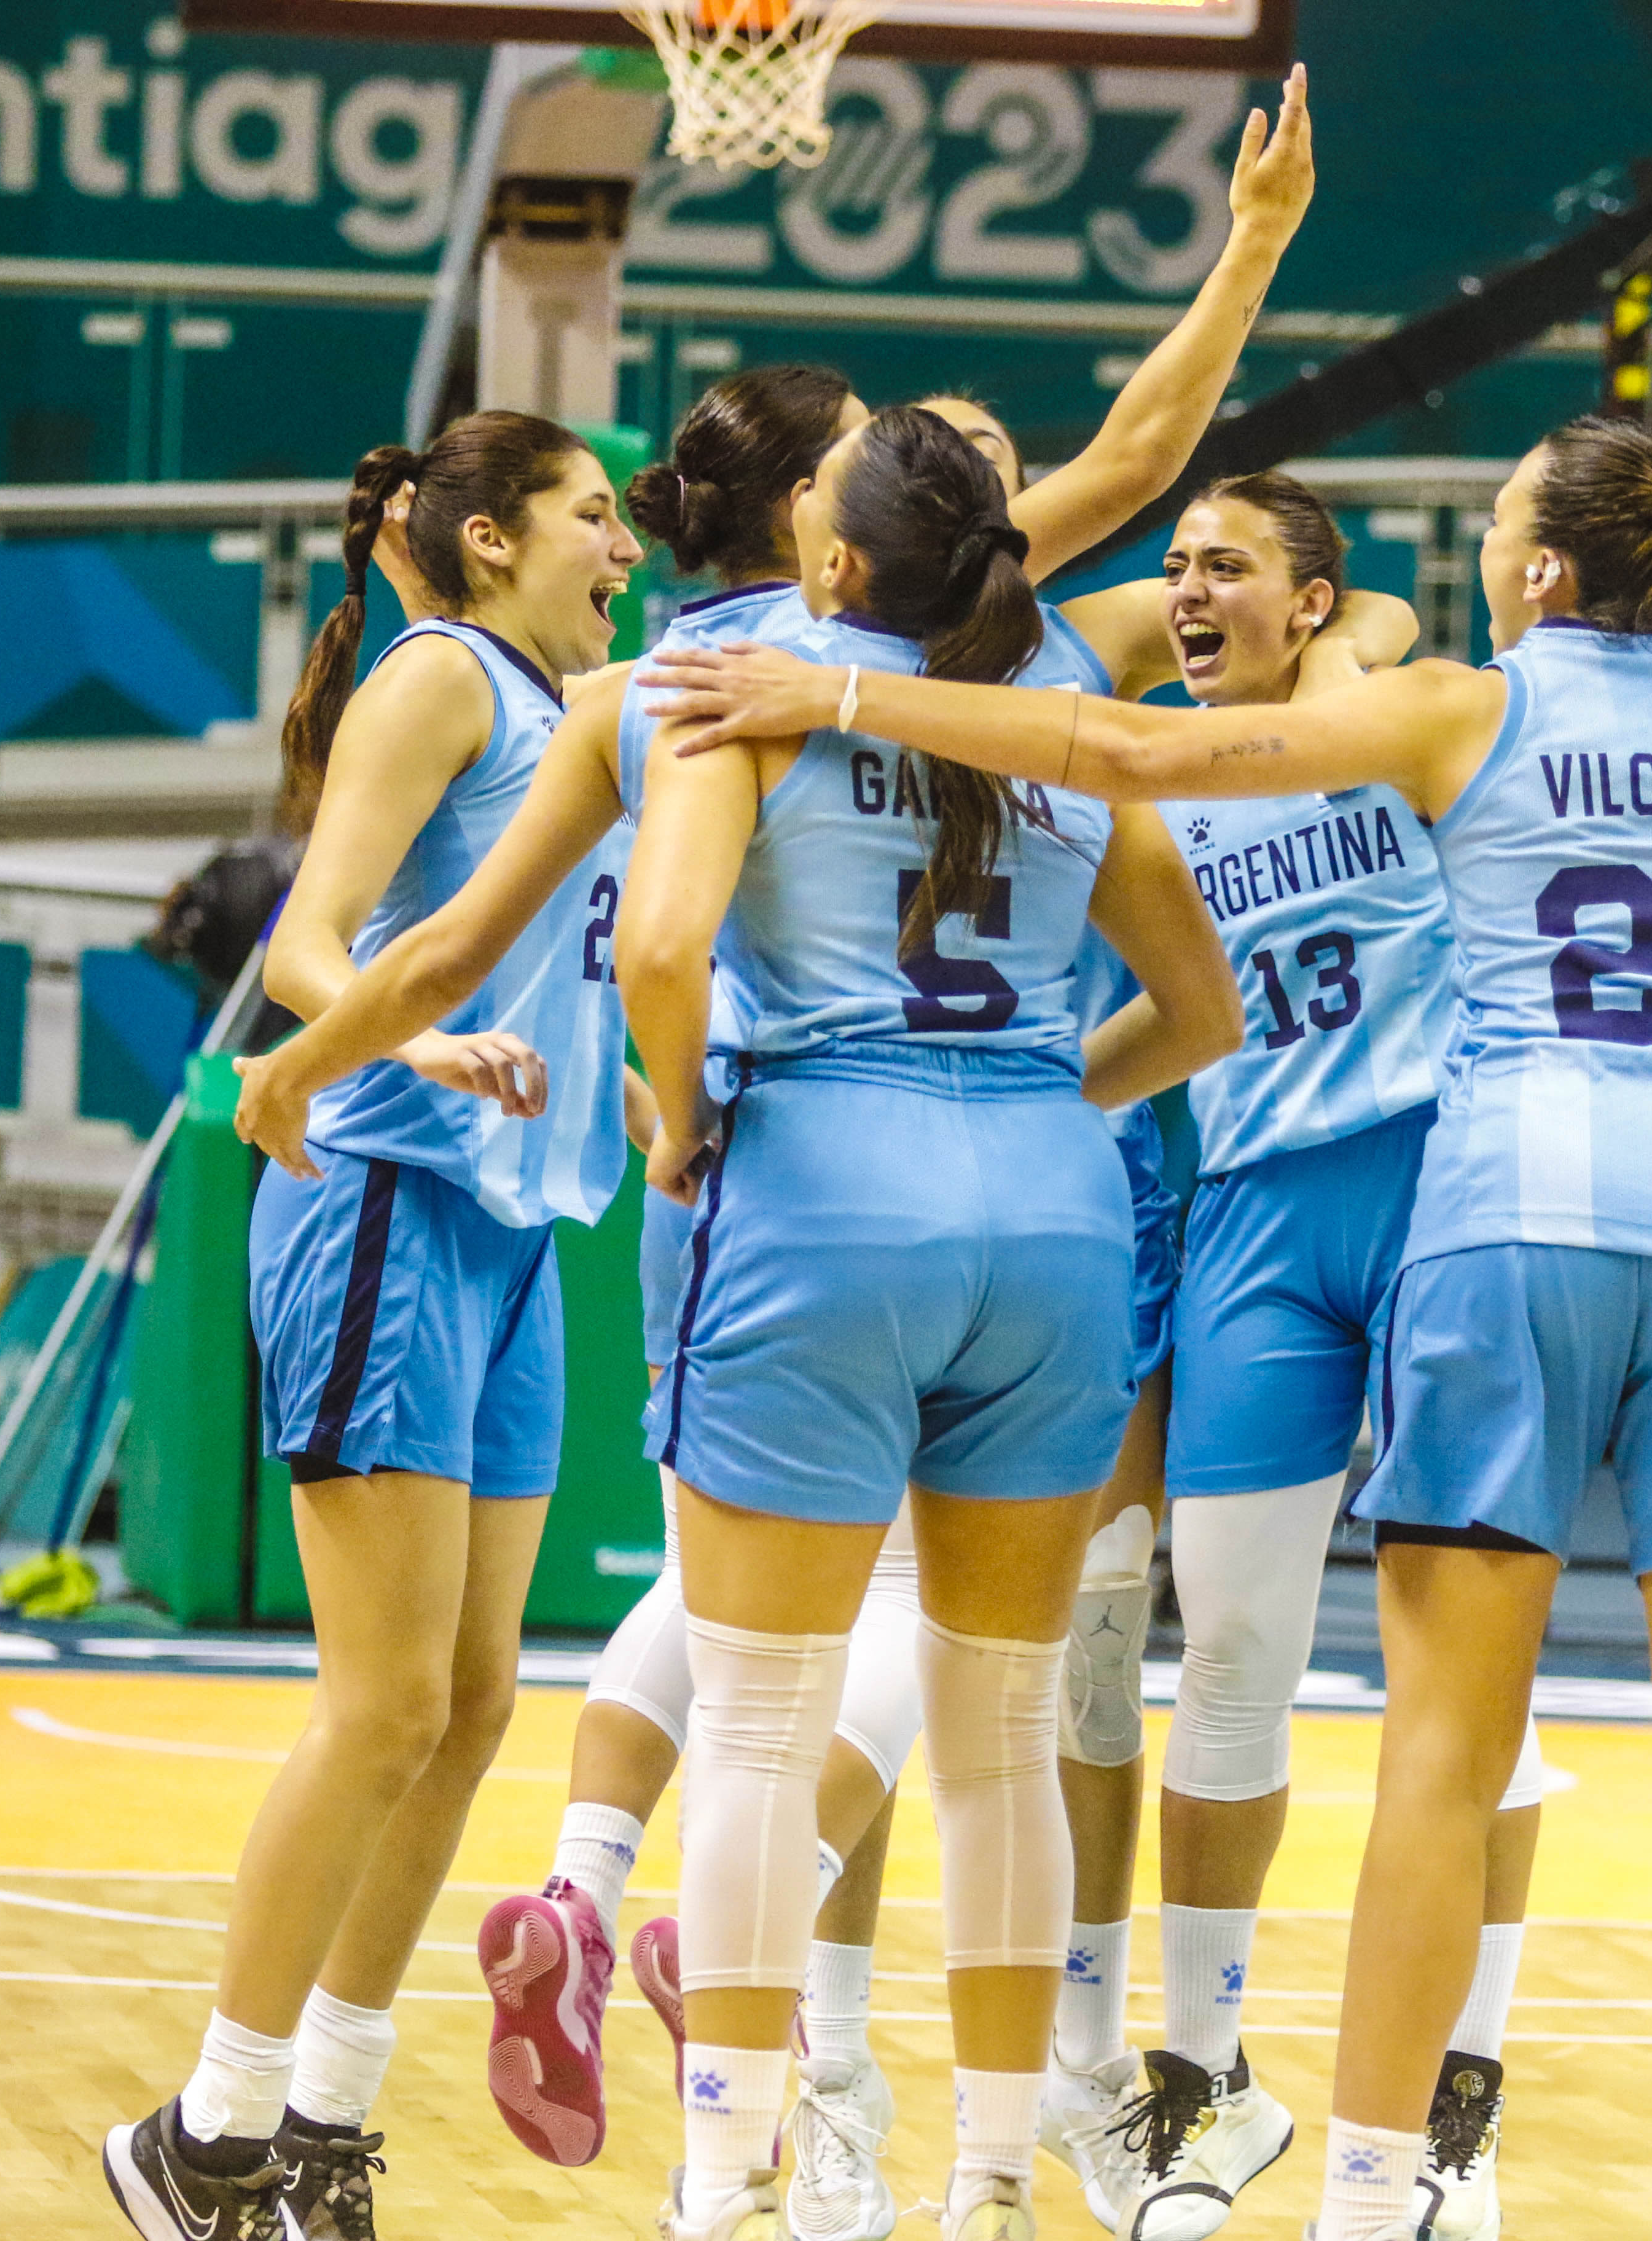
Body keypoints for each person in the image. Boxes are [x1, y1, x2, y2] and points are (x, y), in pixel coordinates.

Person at [639, 414, 1652, 2241]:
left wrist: (842, 701)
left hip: (1516, 1217)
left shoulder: (1474, 708)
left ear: (1546, 569)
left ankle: (1376, 2190)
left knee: (1438, 1754)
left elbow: (1136, 742)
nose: (1470, 548)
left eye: (1492, 523)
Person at [627, 402, 1239, 2241]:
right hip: (1049, 1207)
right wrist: (1061, 1094)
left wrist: (684, 1123)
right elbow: (1201, 1006)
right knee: (995, 1731)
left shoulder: (744, 671)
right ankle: (985, 2183)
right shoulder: (1043, 689)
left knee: (753, 1723)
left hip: (822, 1184)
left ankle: (732, 2176)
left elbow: (664, 951)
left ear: (830, 559)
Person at [99, 410, 645, 2241]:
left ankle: (322, 2114)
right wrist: (403, 1037)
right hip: (382, 1202)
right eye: (592, 515)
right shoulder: (438, 678)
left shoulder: (574, 710)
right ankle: (206, 2127)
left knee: (476, 1703)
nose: (622, 545)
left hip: (508, 1228)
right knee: (385, 1702)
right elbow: (316, 944)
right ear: (490, 539)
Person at [1008, 474, 1541, 2241]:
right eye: (1173, 567)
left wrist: (1362, 634)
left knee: (1471, 1672)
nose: (1185, 589)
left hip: (1438, 1181)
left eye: (1223, 565)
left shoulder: (1394, 716)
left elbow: (1397, 631)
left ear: (1314, 602)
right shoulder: (1153, 772)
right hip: (1249, 1212)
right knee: (1224, 1642)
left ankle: (1461, 2097)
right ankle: (1203, 2080)